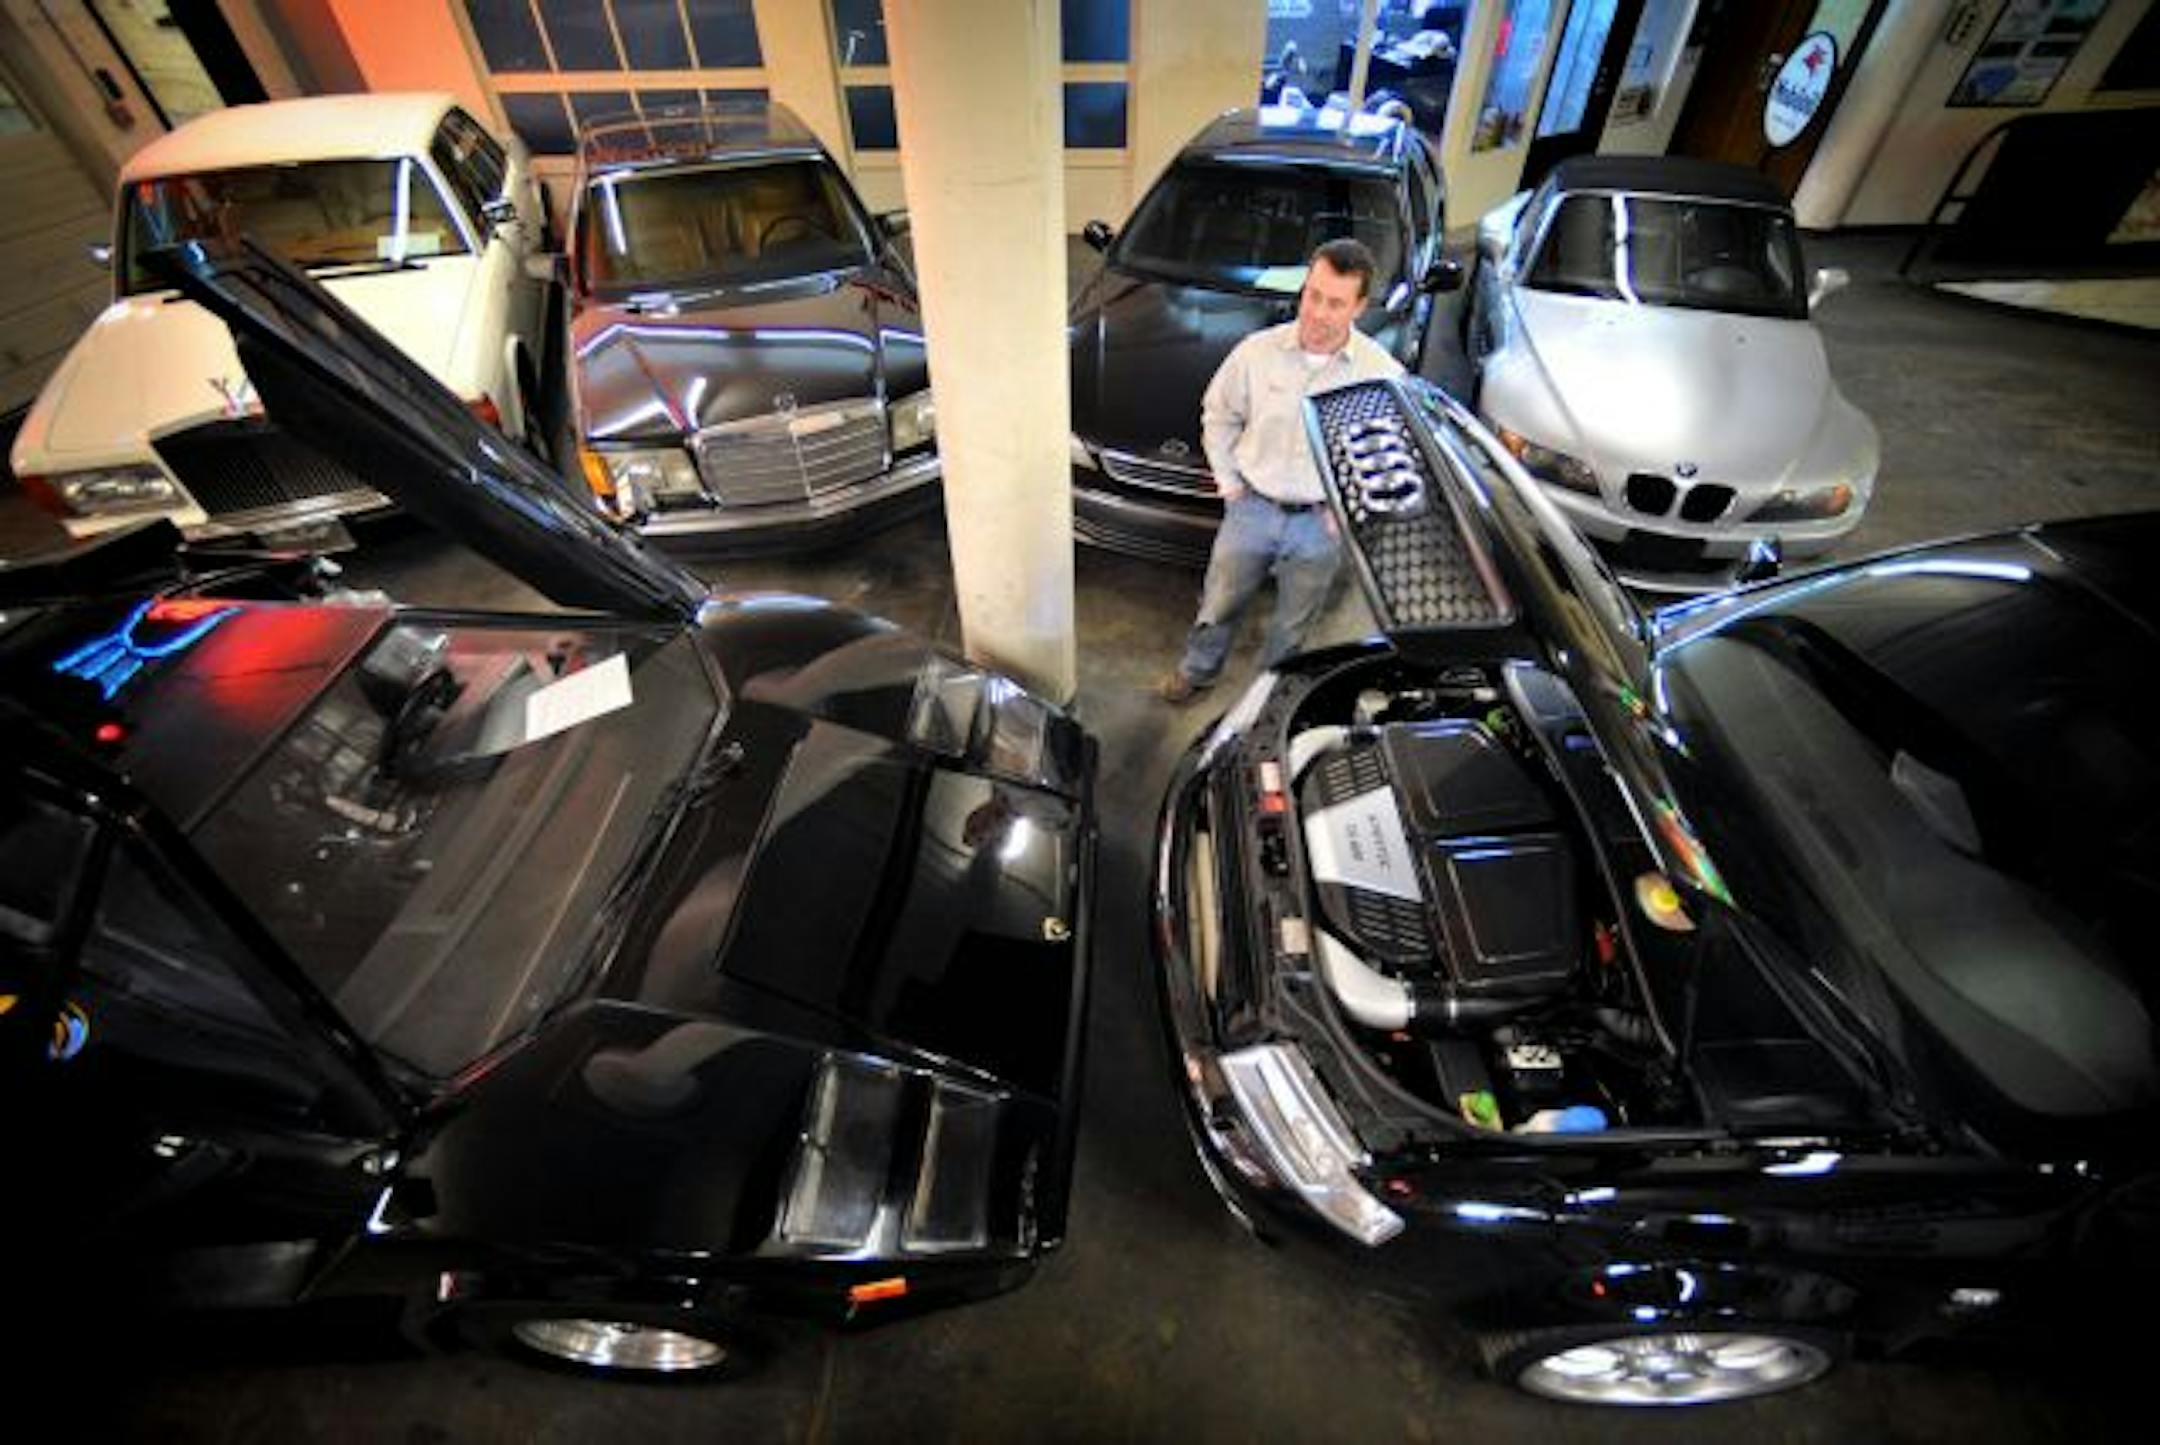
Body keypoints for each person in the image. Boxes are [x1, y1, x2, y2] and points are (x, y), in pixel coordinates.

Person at [1158, 237, 1405, 703]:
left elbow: (1390, 460)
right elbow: (1219, 414)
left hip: (1321, 523)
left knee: (1293, 626)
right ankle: (1197, 671)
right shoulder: (1256, 352)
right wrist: (1230, 484)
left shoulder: (1381, 375)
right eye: (1313, 295)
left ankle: (1265, 701)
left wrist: (1348, 511)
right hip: (1251, 507)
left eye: (1335, 303)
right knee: (1219, 603)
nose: (1317, 312)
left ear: (1360, 307)